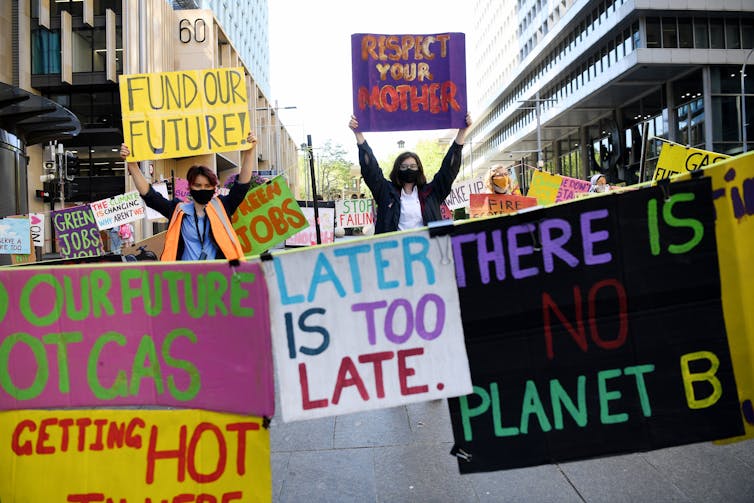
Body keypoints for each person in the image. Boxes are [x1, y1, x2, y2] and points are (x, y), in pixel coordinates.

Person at [119, 132, 257, 261]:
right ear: (190, 187)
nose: (203, 189)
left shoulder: (223, 206)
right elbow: (150, 196)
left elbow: (242, 186)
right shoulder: (178, 210)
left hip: (218, 279)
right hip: (186, 280)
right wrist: (132, 164)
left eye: (207, 186)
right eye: (198, 185)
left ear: (213, 187)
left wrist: (250, 152)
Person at [348, 113, 472, 233]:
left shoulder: (431, 193)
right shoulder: (386, 192)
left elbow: (449, 169)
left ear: (419, 169)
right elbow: (371, 170)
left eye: (413, 166)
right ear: (397, 169)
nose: (409, 169)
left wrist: (462, 132)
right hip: (394, 252)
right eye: (404, 166)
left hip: (427, 251)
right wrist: (358, 134)